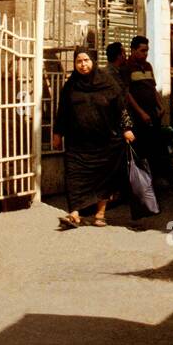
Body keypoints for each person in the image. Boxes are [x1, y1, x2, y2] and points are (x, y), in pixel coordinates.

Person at [52, 47, 134, 228]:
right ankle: (74, 214)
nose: (83, 65)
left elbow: (120, 107)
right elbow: (63, 111)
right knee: (74, 177)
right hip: (77, 142)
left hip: (104, 141)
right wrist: (57, 134)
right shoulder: (71, 85)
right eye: (79, 61)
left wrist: (126, 128)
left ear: (94, 61)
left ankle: (100, 213)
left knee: (103, 177)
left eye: (86, 60)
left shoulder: (107, 82)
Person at [122, 36, 169, 186]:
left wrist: (161, 106)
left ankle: (154, 179)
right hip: (137, 116)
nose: (145, 53)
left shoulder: (148, 66)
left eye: (147, 50)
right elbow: (127, 94)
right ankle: (141, 183)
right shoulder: (127, 67)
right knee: (140, 149)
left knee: (155, 146)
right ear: (133, 50)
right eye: (142, 51)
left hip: (152, 113)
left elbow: (153, 89)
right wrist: (141, 112)